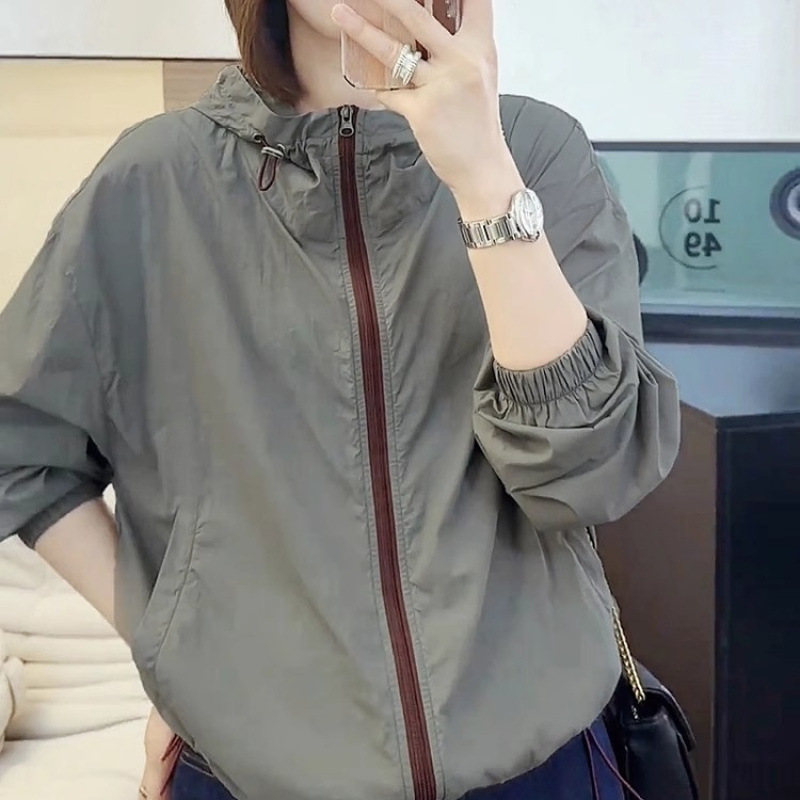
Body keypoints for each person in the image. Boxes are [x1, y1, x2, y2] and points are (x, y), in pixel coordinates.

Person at [0, 1, 681, 798]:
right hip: (251, 778)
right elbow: (23, 449)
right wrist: (177, 655)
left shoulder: (536, 152)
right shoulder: (152, 182)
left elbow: (594, 476)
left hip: (544, 766)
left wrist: (484, 180)